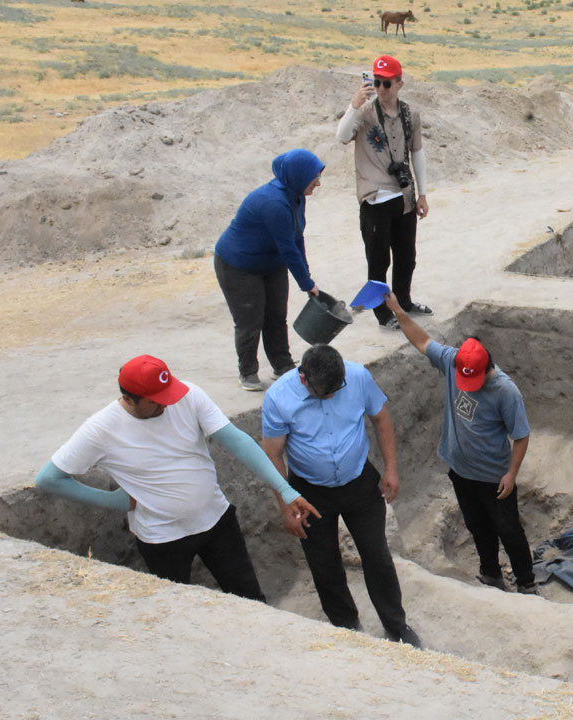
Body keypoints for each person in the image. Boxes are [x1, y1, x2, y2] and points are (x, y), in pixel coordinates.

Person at [35, 355, 319, 600]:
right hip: (162, 539)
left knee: (250, 598)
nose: (166, 405)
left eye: (168, 394)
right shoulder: (99, 430)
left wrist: (287, 491)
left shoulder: (188, 395)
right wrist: (114, 502)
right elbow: (49, 478)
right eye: (155, 401)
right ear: (127, 399)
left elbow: (238, 442)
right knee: (178, 608)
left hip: (217, 521)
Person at [260, 344, 420, 647]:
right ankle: (347, 628)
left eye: (337, 389)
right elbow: (273, 455)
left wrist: (391, 469)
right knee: (324, 564)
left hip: (360, 483)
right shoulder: (279, 398)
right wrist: (285, 506)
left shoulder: (358, 377)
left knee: (378, 557)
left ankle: (396, 626)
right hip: (309, 493)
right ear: (304, 379)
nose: (332, 396)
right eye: (325, 393)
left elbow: (381, 419)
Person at [383, 293, 537, 593]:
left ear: (486, 368)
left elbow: (521, 435)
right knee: (477, 526)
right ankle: (491, 574)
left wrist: (511, 474)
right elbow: (422, 341)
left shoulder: (505, 391)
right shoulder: (454, 360)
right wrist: (398, 311)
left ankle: (527, 584)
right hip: (460, 469)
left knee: (509, 530)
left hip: (494, 477)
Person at [214, 148, 324, 392]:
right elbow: (287, 248)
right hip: (238, 265)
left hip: (271, 263)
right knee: (250, 319)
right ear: (298, 175)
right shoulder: (273, 202)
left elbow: (297, 238)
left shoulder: (296, 195)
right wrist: (307, 285)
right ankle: (248, 372)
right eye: (314, 177)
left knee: (276, 315)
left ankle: (282, 365)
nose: (318, 183)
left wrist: (307, 276)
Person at [336, 54, 432, 330]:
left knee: (406, 256)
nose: (380, 89)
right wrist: (354, 105)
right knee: (378, 261)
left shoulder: (410, 114)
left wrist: (422, 194)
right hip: (374, 198)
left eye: (386, 84)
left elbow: (417, 153)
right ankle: (383, 314)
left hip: (403, 198)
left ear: (399, 84)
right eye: (377, 82)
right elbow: (342, 137)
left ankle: (403, 302)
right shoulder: (364, 113)